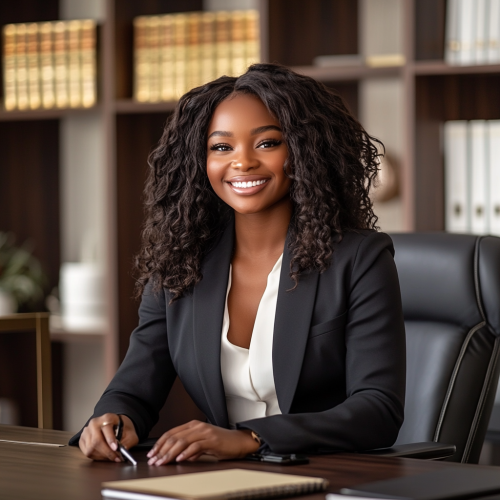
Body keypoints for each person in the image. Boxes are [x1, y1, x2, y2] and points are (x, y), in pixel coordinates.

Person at [71, 63, 406, 465]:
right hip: (224, 479)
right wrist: (113, 421)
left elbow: (378, 410)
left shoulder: (360, 260)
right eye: (222, 147)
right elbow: (134, 388)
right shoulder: (180, 263)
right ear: (200, 161)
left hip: (333, 476)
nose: (242, 162)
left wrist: (251, 438)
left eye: (267, 143)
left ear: (305, 151)